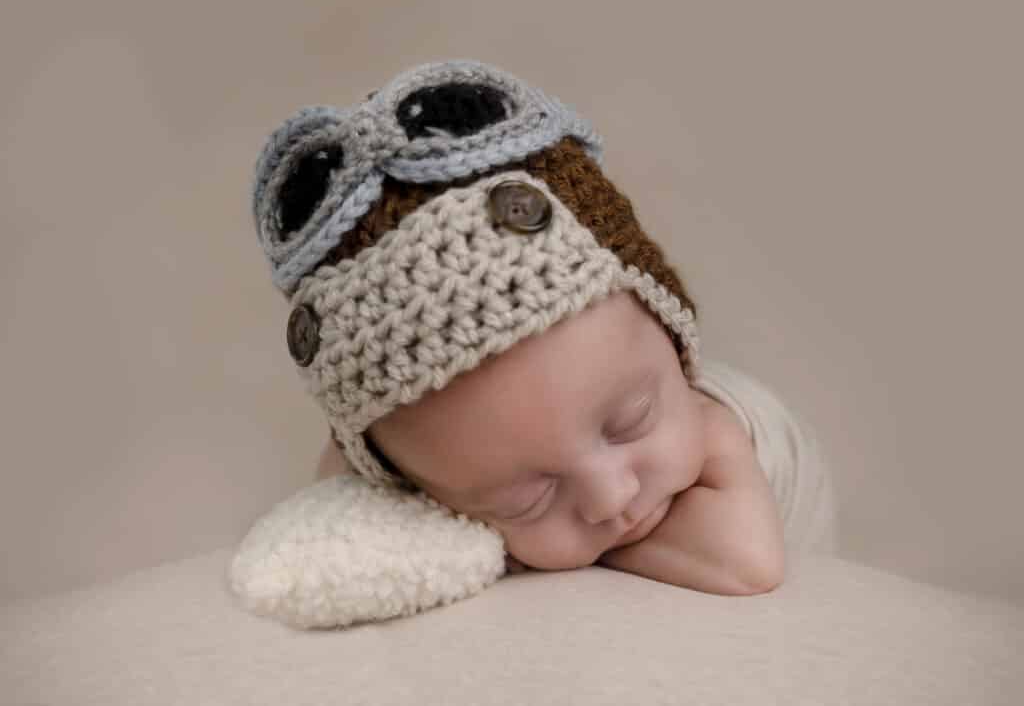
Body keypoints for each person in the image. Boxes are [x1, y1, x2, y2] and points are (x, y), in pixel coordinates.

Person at [253, 60, 836, 601]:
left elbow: (748, 564)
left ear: (671, 331)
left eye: (630, 420)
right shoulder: (405, 450)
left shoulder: (717, 426)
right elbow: (335, 485)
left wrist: (519, 545)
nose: (612, 500)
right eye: (528, 498)